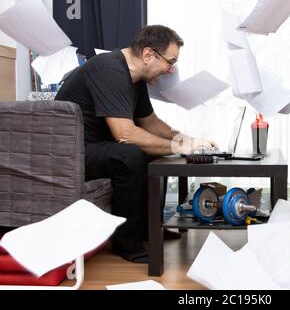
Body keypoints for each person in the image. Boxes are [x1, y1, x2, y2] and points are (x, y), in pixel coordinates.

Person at [55, 25, 217, 263]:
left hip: (99, 146)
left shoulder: (136, 78)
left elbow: (150, 122)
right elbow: (125, 135)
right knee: (129, 155)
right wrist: (180, 147)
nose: (171, 70)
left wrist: (187, 140)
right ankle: (126, 243)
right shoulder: (109, 69)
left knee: (155, 155)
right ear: (148, 55)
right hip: (72, 153)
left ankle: (148, 229)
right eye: (170, 62)